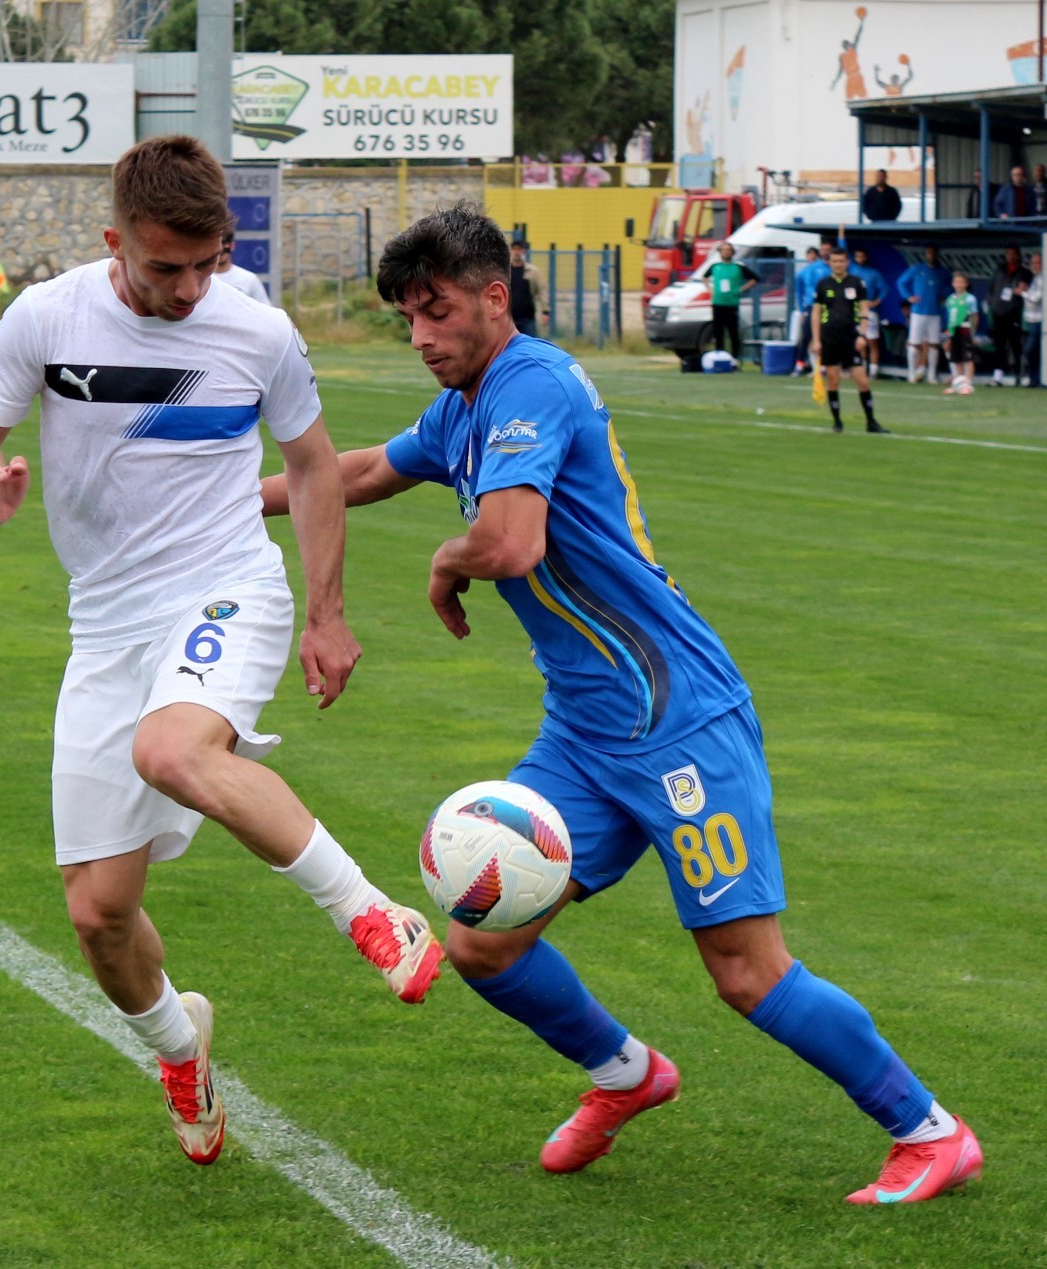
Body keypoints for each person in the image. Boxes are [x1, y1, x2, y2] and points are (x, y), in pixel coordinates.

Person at [260, 202, 982, 1203]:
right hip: (587, 732)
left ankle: (929, 1130)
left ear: (493, 299)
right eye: (406, 319)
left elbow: (510, 543)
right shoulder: (465, 405)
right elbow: (369, 469)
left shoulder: (532, 383)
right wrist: (222, 493)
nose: (420, 336)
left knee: (744, 969)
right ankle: (626, 1074)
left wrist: (445, 557)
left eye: (435, 311)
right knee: (483, 937)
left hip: (677, 715)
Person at [0, 135, 443, 1169]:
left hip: (226, 584)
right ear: (112, 241)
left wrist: (326, 612)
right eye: (163, 266)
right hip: (106, 623)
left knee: (172, 750)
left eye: (205, 262)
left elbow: (310, 466)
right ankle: (181, 1048)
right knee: (99, 915)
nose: (186, 287)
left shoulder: (254, 327)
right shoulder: (46, 316)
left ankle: (373, 912)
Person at [811, 246, 887, 433]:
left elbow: (863, 310)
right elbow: (816, 314)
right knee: (834, 380)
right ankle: (837, 422)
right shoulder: (822, 284)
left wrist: (862, 334)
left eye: (841, 261)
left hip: (851, 337)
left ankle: (871, 422)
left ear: (847, 262)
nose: (837, 264)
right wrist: (816, 340)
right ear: (830, 263)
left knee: (862, 380)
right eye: (834, 261)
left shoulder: (857, 283)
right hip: (829, 337)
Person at [897, 244, 952, 383]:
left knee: (934, 344)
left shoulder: (943, 272)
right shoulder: (917, 269)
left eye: (933, 252)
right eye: (928, 252)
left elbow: (950, 287)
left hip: (935, 312)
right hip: (918, 312)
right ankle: (911, 373)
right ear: (925, 254)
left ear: (937, 254)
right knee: (914, 343)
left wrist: (943, 295)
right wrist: (909, 297)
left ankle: (932, 375)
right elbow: (901, 282)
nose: (931, 255)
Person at [702, 241, 759, 361]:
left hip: (731, 304)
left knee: (733, 332)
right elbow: (704, 277)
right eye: (723, 250)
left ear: (732, 252)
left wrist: (741, 289)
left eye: (728, 250)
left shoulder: (738, 266)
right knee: (718, 332)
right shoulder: (715, 266)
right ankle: (720, 357)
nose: (726, 252)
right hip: (718, 303)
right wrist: (710, 289)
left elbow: (755, 279)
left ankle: (734, 359)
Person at [986, 244, 1032, 386]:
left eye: (1013, 254)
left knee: (1015, 345)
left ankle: (1018, 375)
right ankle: (998, 377)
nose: (1011, 256)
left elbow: (1025, 290)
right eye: (1009, 254)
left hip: (1014, 314)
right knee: (999, 345)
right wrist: (993, 304)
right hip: (999, 313)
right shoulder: (1000, 270)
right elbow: (992, 289)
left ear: (1018, 255)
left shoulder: (1024, 272)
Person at [792, 243, 832, 375]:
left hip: (831, 306)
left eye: (827, 250)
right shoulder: (811, 269)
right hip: (813, 306)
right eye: (823, 250)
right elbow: (802, 290)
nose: (825, 252)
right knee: (807, 335)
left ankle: (824, 366)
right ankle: (800, 365)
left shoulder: (833, 268)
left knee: (828, 336)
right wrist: (803, 309)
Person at [849, 246, 887, 377]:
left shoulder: (873, 273)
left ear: (866, 257)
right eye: (857, 256)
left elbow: (884, 289)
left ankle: (874, 372)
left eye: (862, 256)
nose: (859, 259)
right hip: (855, 311)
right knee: (859, 342)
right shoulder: (852, 271)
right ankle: (862, 369)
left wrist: (876, 301)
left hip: (870, 312)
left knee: (872, 342)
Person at [941, 272, 979, 395]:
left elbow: (975, 316)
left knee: (967, 357)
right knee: (956, 358)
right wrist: (948, 334)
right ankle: (958, 383)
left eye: (961, 282)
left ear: (966, 284)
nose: (958, 284)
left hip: (965, 329)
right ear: (953, 284)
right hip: (954, 330)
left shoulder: (970, 299)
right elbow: (950, 318)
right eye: (956, 282)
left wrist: (973, 332)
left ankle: (968, 384)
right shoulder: (950, 299)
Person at [213, 230, 271, 304]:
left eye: (224, 244)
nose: (220, 250)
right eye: (216, 245)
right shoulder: (202, 279)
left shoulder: (249, 279)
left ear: (232, 246)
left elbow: (264, 311)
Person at [509, 237, 545, 336]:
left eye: (519, 249)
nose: (517, 252)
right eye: (514, 249)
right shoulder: (506, 271)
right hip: (509, 318)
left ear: (523, 251)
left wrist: (545, 311)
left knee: (530, 346)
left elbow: (542, 291)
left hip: (528, 318)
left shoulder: (532, 272)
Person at [1021, 251, 1043, 387]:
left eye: (1038, 262)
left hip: (1039, 320)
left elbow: (1036, 298)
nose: (1035, 265)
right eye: (1033, 263)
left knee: (1031, 350)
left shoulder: (1043, 278)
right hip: (1031, 320)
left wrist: (1022, 292)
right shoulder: (1035, 277)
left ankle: (1037, 378)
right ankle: (1034, 379)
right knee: (1033, 352)